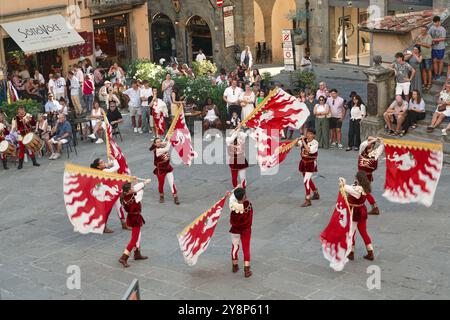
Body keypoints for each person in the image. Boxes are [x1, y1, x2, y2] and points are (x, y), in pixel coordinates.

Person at [90, 158, 132, 233]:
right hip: (105, 194)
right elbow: (117, 167)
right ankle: (104, 226)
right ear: (98, 166)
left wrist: (110, 163)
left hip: (111, 192)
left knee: (119, 207)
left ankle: (123, 223)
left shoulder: (101, 170)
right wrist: (114, 159)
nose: (104, 163)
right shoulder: (104, 171)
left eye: (103, 161)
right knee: (107, 210)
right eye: (102, 162)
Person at [340, 172, 375, 261]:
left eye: (356, 178)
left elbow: (345, 187)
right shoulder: (364, 188)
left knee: (351, 232)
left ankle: (351, 253)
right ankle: (370, 251)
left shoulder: (357, 190)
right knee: (363, 232)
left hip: (355, 212)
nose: (355, 180)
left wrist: (342, 181)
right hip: (362, 210)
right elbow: (351, 187)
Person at [118, 179, 152, 268]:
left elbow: (136, 188)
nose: (133, 188)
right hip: (135, 218)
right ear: (128, 190)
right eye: (131, 188)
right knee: (134, 239)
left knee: (138, 235)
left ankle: (137, 253)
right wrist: (145, 183)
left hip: (131, 217)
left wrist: (136, 183)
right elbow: (140, 189)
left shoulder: (124, 196)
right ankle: (124, 257)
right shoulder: (135, 196)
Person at [229, 187, 254, 278]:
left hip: (235, 230)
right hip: (246, 230)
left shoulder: (232, 206)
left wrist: (230, 195)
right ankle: (246, 270)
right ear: (244, 196)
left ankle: (235, 266)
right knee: (246, 249)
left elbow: (231, 220)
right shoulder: (248, 205)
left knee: (235, 247)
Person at [358, 136, 384, 216]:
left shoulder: (375, 154)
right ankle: (373, 207)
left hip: (367, 176)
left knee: (364, 191)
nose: (367, 142)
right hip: (360, 175)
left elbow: (382, 146)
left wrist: (380, 141)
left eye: (369, 141)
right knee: (363, 191)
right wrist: (375, 139)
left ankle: (360, 206)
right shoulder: (362, 150)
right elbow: (364, 144)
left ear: (372, 145)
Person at [150, 138, 180, 204]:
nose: (159, 143)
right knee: (161, 184)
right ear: (155, 144)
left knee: (172, 183)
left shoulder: (162, 146)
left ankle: (175, 196)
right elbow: (167, 149)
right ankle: (161, 196)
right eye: (157, 142)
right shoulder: (157, 150)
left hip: (167, 168)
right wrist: (169, 140)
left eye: (160, 141)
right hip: (160, 170)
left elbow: (165, 144)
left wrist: (167, 139)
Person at [298, 128, 319, 207]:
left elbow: (308, 150)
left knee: (306, 180)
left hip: (310, 163)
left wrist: (303, 141)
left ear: (313, 135)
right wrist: (297, 141)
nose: (308, 135)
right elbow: (297, 145)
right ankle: (315, 192)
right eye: (307, 133)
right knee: (308, 179)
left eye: (310, 133)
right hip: (303, 162)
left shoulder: (315, 143)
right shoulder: (304, 140)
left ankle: (308, 199)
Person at [226, 123, 248, 189]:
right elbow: (231, 140)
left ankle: (243, 189)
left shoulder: (241, 137)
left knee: (243, 177)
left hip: (241, 159)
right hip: (233, 160)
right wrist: (235, 132)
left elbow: (245, 135)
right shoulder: (228, 138)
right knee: (234, 177)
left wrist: (238, 129)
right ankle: (235, 189)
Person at [429, 16, 447, 81]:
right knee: (434, 61)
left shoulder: (442, 29)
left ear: (439, 21)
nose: (435, 23)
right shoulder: (432, 28)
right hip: (434, 47)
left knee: (440, 61)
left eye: (436, 22)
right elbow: (429, 35)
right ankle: (436, 73)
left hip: (441, 47)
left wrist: (435, 39)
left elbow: (444, 38)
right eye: (434, 22)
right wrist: (431, 41)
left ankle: (439, 74)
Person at [416, 26, 433, 90]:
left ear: (426, 31)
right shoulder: (420, 36)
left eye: (423, 30)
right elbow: (416, 42)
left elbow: (428, 45)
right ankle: (425, 83)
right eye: (421, 30)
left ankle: (429, 83)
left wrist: (420, 43)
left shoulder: (429, 37)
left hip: (427, 56)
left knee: (428, 70)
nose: (422, 31)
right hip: (421, 56)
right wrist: (418, 38)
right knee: (423, 70)